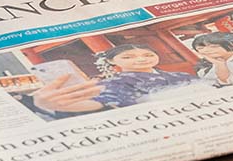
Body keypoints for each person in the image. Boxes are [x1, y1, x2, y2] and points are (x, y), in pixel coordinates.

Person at [32, 44, 197, 114]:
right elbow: (101, 101)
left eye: (148, 55)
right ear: (111, 61)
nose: (141, 60)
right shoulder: (114, 83)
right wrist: (49, 105)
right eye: (128, 57)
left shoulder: (179, 75)